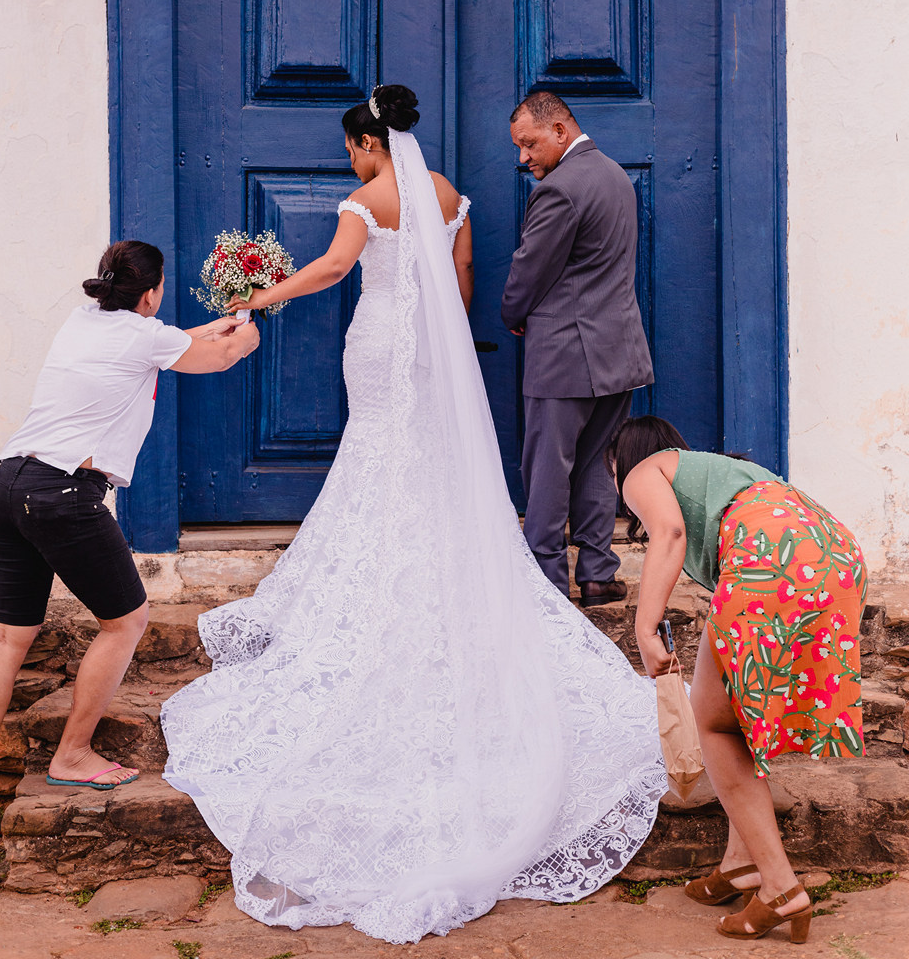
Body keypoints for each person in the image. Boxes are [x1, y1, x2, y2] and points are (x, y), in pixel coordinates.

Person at [161, 85, 665, 945]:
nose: (350, 164)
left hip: (379, 345)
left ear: (367, 142)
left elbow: (330, 269)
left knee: (377, 456)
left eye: (352, 149)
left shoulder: (367, 198)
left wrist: (261, 293)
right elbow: (462, 280)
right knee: (429, 459)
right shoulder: (449, 196)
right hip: (434, 351)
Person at [0, 241, 259, 835]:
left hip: (7, 482)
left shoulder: (83, 318)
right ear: (151, 293)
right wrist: (247, 322)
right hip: (63, 493)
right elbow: (216, 359)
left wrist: (208, 326)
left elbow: (164, 343)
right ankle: (72, 757)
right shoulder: (146, 337)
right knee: (126, 621)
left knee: (11, 632)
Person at [609, 415, 869, 945]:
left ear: (623, 458)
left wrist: (643, 625)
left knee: (715, 725)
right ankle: (739, 866)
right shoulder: (722, 473)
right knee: (731, 716)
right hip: (833, 555)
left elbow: (671, 531)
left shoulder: (641, 471)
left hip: (768, 560)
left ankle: (779, 888)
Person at [501, 91, 653, 606]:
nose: (524, 157)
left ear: (560, 130)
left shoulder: (559, 189)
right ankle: (597, 575)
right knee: (594, 462)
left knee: (546, 466)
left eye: (530, 144)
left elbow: (529, 268)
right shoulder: (615, 174)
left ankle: (545, 583)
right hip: (619, 350)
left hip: (566, 350)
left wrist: (512, 315)